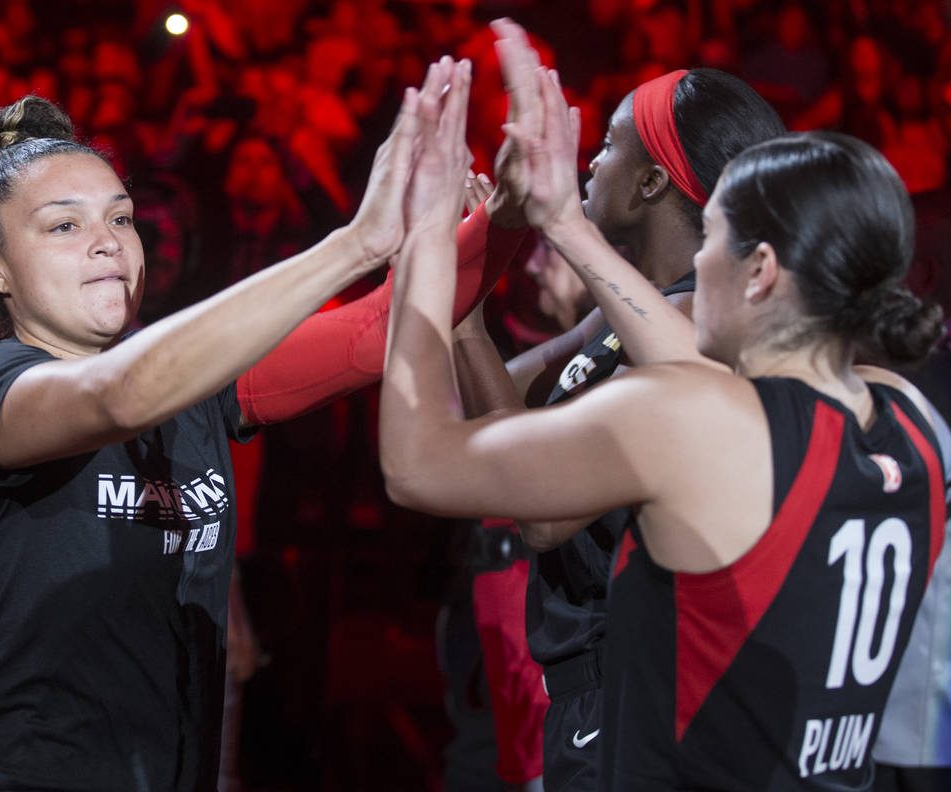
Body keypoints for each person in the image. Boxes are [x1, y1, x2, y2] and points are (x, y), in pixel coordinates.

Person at [0, 57, 519, 791]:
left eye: (120, 217)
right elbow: (116, 395)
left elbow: (380, 327)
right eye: (64, 226)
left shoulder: (195, 382)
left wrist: (522, 212)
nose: (108, 240)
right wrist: (355, 243)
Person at [379, 39, 946, 791]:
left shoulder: (700, 418)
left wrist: (425, 243)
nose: (696, 263)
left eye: (714, 238)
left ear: (761, 269)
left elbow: (420, 464)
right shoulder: (911, 420)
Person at [448, 19, 786, 790]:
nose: (589, 163)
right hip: (587, 690)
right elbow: (501, 406)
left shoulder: (704, 329)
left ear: (651, 182)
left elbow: (536, 505)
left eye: (606, 145)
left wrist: (460, 313)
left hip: (641, 689)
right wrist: (470, 252)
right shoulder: (626, 313)